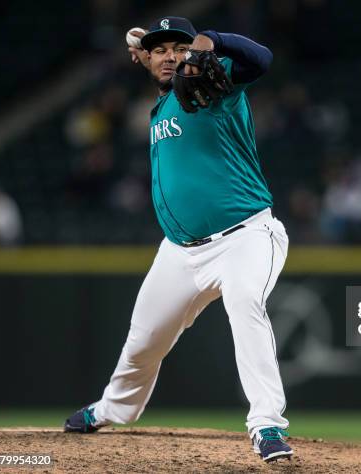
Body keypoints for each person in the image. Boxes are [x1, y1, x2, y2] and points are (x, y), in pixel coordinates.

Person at [63, 16, 293, 463]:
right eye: (160, 50)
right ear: (146, 60)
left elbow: (261, 59)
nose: (170, 56)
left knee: (246, 302)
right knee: (143, 340)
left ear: (194, 54)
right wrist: (151, 51)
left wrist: (212, 43)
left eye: (178, 48)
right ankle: (111, 408)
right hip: (179, 251)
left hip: (244, 236)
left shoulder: (213, 84)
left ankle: (266, 424)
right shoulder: (165, 99)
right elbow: (158, 62)